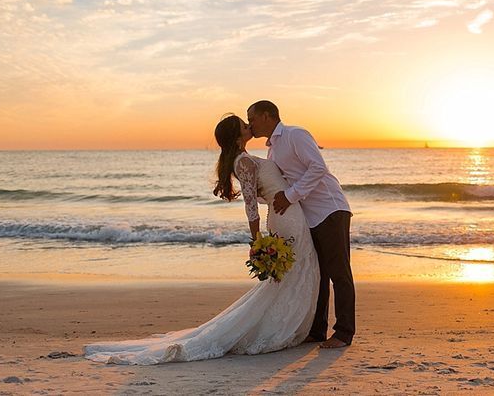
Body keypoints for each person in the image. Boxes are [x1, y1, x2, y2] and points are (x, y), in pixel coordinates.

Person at [83, 115, 319, 364]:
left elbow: (264, 191)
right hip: (286, 218)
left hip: (286, 213)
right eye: (244, 125)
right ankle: (277, 329)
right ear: (237, 136)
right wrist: (256, 242)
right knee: (293, 273)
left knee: (296, 272)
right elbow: (250, 205)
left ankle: (288, 326)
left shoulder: (247, 159)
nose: (249, 127)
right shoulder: (245, 162)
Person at [247, 100, 354, 349]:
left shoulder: (295, 134)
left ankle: (344, 333)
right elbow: (281, 188)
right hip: (308, 217)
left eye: (251, 118)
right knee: (319, 275)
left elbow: (318, 168)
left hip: (330, 209)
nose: (249, 123)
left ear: (266, 116)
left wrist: (292, 196)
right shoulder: (272, 150)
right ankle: (317, 331)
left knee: (339, 273)